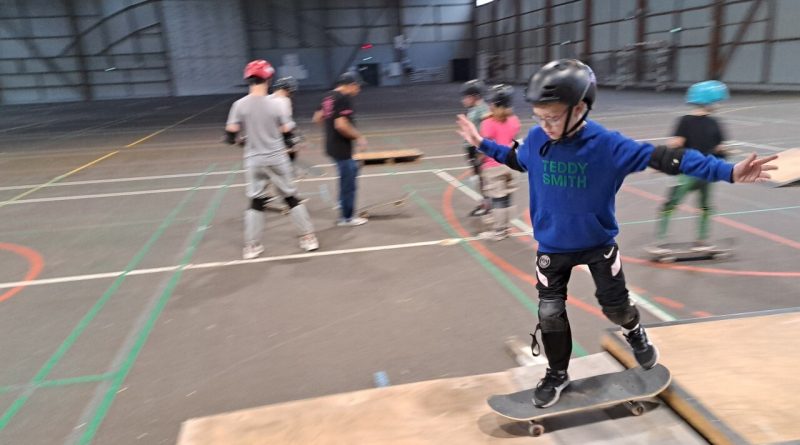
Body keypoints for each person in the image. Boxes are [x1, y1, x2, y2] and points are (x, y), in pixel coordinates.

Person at [456, 59, 777, 408]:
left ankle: (634, 332)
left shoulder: (607, 145)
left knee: (616, 308)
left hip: (597, 245)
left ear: (579, 108)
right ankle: (557, 374)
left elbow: (672, 158)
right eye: (539, 117)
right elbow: (519, 159)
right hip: (552, 246)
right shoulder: (537, 139)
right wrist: (482, 144)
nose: (545, 125)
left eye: (553, 117)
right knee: (549, 312)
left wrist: (728, 171)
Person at [225, 60, 319, 259]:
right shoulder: (276, 104)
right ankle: (308, 238)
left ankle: (252, 246)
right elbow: (287, 133)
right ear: (268, 78)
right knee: (291, 197)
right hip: (276, 157)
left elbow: (231, 135)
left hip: (253, 160)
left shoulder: (238, 105)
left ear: (248, 79)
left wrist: (245, 141)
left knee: (256, 201)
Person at [655, 80, 730, 251]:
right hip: (707, 172)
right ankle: (702, 241)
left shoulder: (685, 121)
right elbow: (721, 148)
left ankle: (661, 240)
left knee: (670, 204)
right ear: (710, 101)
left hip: (687, 172)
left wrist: (662, 161)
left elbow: (676, 143)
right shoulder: (715, 123)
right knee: (705, 206)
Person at [313, 72, 368, 226]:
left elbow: (317, 118)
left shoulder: (328, 96)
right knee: (348, 182)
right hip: (342, 147)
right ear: (351, 85)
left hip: (331, 145)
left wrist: (329, 128)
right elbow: (342, 125)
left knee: (350, 173)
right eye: (358, 86)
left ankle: (342, 203)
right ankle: (347, 217)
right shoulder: (344, 98)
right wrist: (359, 137)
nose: (359, 90)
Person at [478, 84, 521, 240]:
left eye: (492, 103)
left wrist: (479, 161)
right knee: (508, 197)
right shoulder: (514, 120)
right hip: (512, 163)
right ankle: (507, 227)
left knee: (498, 199)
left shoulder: (487, 123)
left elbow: (484, 144)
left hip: (494, 165)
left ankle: (498, 231)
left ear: (495, 105)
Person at [461, 79, 492, 217]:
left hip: (478, 149)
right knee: (477, 178)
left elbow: (487, 131)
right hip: (471, 148)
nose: (464, 100)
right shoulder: (473, 109)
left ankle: (487, 205)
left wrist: (481, 151)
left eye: (466, 96)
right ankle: (483, 203)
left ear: (474, 96)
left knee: (481, 178)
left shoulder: (483, 110)